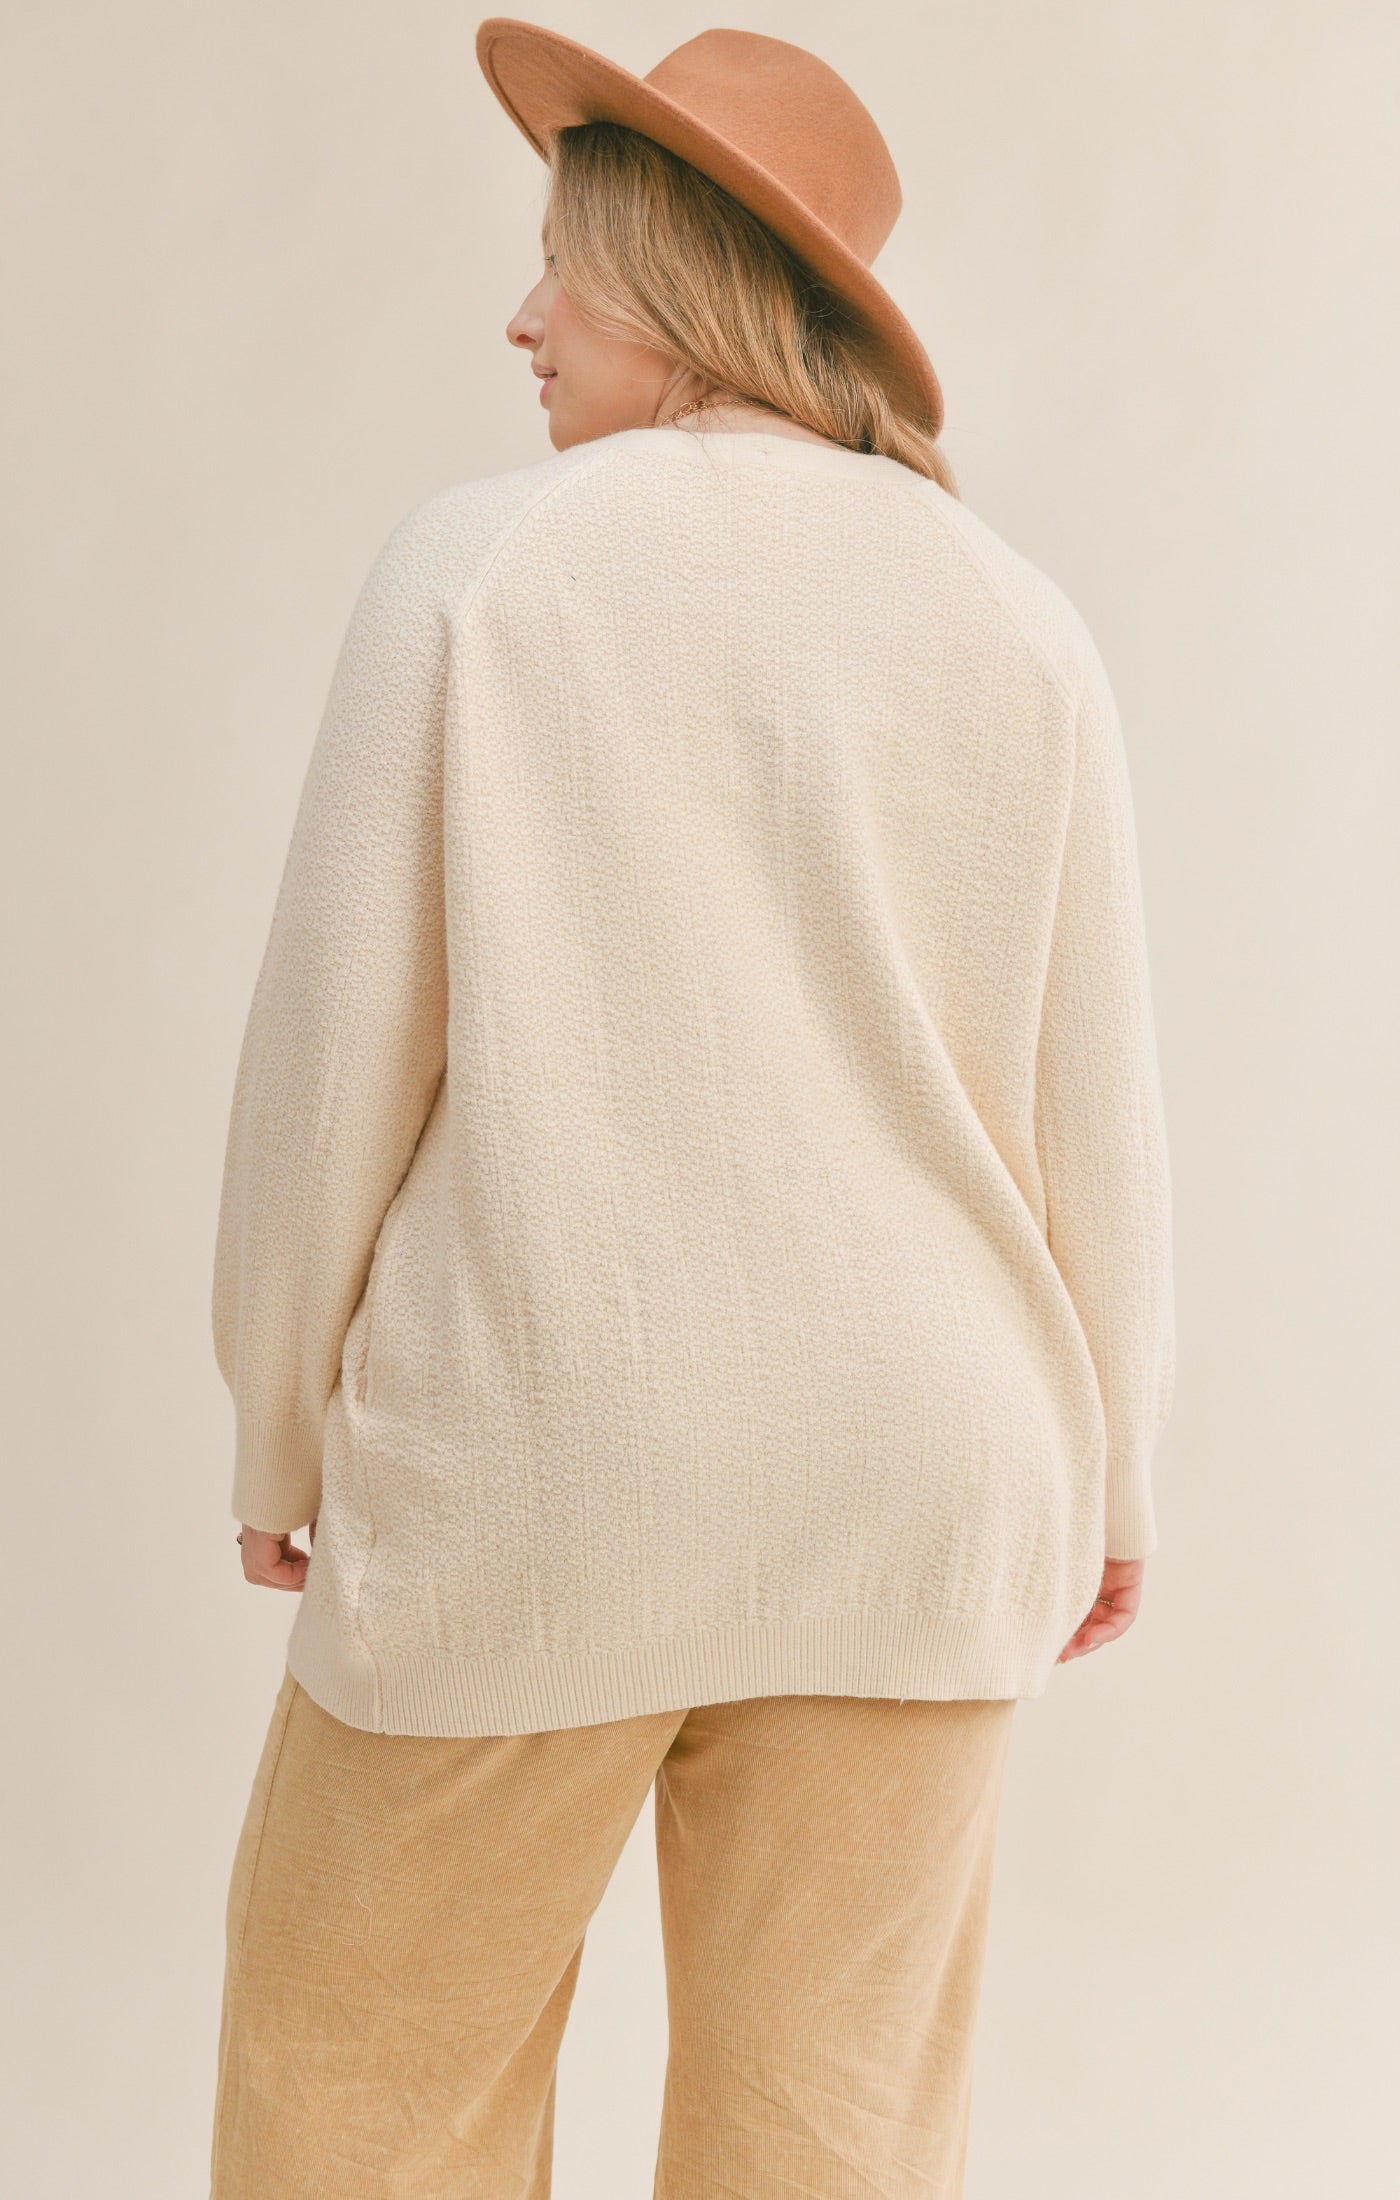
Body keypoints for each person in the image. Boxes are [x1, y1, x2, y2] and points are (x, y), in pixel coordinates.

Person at [207, 20, 1175, 2197]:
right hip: (925, 1480)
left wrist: (278, 1423)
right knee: (834, 2140)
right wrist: (1115, 1473)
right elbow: (1093, 1103)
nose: (523, 318)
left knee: (366, 2100)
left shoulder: (481, 571)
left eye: (562, 263)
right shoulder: (1016, 622)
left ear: (672, 276)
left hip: (538, 1463)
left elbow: (327, 1066)